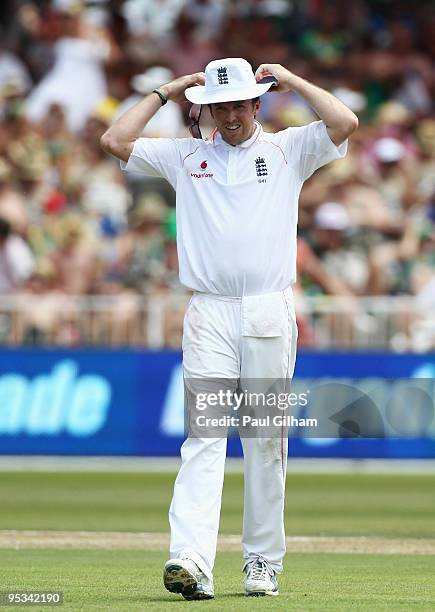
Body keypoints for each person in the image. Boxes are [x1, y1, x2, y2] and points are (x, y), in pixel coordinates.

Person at [101, 57, 357, 600]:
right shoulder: (186, 156)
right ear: (208, 109)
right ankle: (190, 560)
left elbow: (345, 124)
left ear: (256, 103)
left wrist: (290, 80)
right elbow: (115, 140)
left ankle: (262, 562)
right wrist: (166, 91)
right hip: (210, 313)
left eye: (240, 103)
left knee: (265, 441)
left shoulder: (288, 148)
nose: (232, 115)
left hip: (267, 309)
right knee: (205, 436)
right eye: (221, 106)